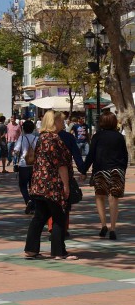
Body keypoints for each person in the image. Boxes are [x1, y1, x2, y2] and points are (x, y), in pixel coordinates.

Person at [24, 110, 78, 260]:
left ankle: (31, 249)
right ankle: (59, 252)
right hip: (52, 185)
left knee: (40, 217)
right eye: (61, 121)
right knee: (59, 216)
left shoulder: (41, 138)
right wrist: (66, 185)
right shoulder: (55, 139)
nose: (63, 124)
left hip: (39, 183)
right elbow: (61, 165)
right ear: (54, 123)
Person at [83, 111, 128, 240]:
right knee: (113, 198)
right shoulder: (119, 137)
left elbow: (91, 155)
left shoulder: (97, 136)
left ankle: (103, 225)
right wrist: (123, 170)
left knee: (100, 196)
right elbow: (124, 155)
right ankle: (113, 228)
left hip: (101, 170)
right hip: (117, 170)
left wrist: (83, 170)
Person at [13, 120, 37, 214]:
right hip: (34, 165)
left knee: (22, 185)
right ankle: (33, 205)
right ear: (33, 128)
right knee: (33, 186)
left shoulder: (21, 138)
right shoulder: (36, 138)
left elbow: (16, 150)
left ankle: (28, 201)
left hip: (24, 164)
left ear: (23, 129)